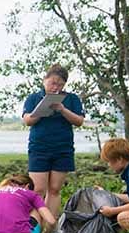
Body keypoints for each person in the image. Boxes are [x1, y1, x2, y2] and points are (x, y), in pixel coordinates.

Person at [22, 64, 85, 220]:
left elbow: (79, 121)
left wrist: (62, 109)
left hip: (63, 149)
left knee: (55, 189)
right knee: (38, 190)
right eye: (52, 83)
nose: (55, 87)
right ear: (45, 80)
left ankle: (49, 230)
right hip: (39, 148)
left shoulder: (71, 99)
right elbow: (28, 120)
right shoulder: (33, 98)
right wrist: (43, 109)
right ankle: (33, 227)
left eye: (59, 84)